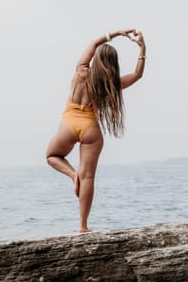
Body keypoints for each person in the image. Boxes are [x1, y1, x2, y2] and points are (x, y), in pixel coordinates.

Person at [46, 29, 146, 232]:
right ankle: (83, 226)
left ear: (97, 60)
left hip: (69, 122)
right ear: (113, 64)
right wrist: (142, 47)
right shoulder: (110, 84)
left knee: (52, 156)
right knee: (89, 177)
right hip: (91, 128)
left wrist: (116, 33)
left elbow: (92, 44)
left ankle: (73, 175)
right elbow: (137, 75)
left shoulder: (81, 71)